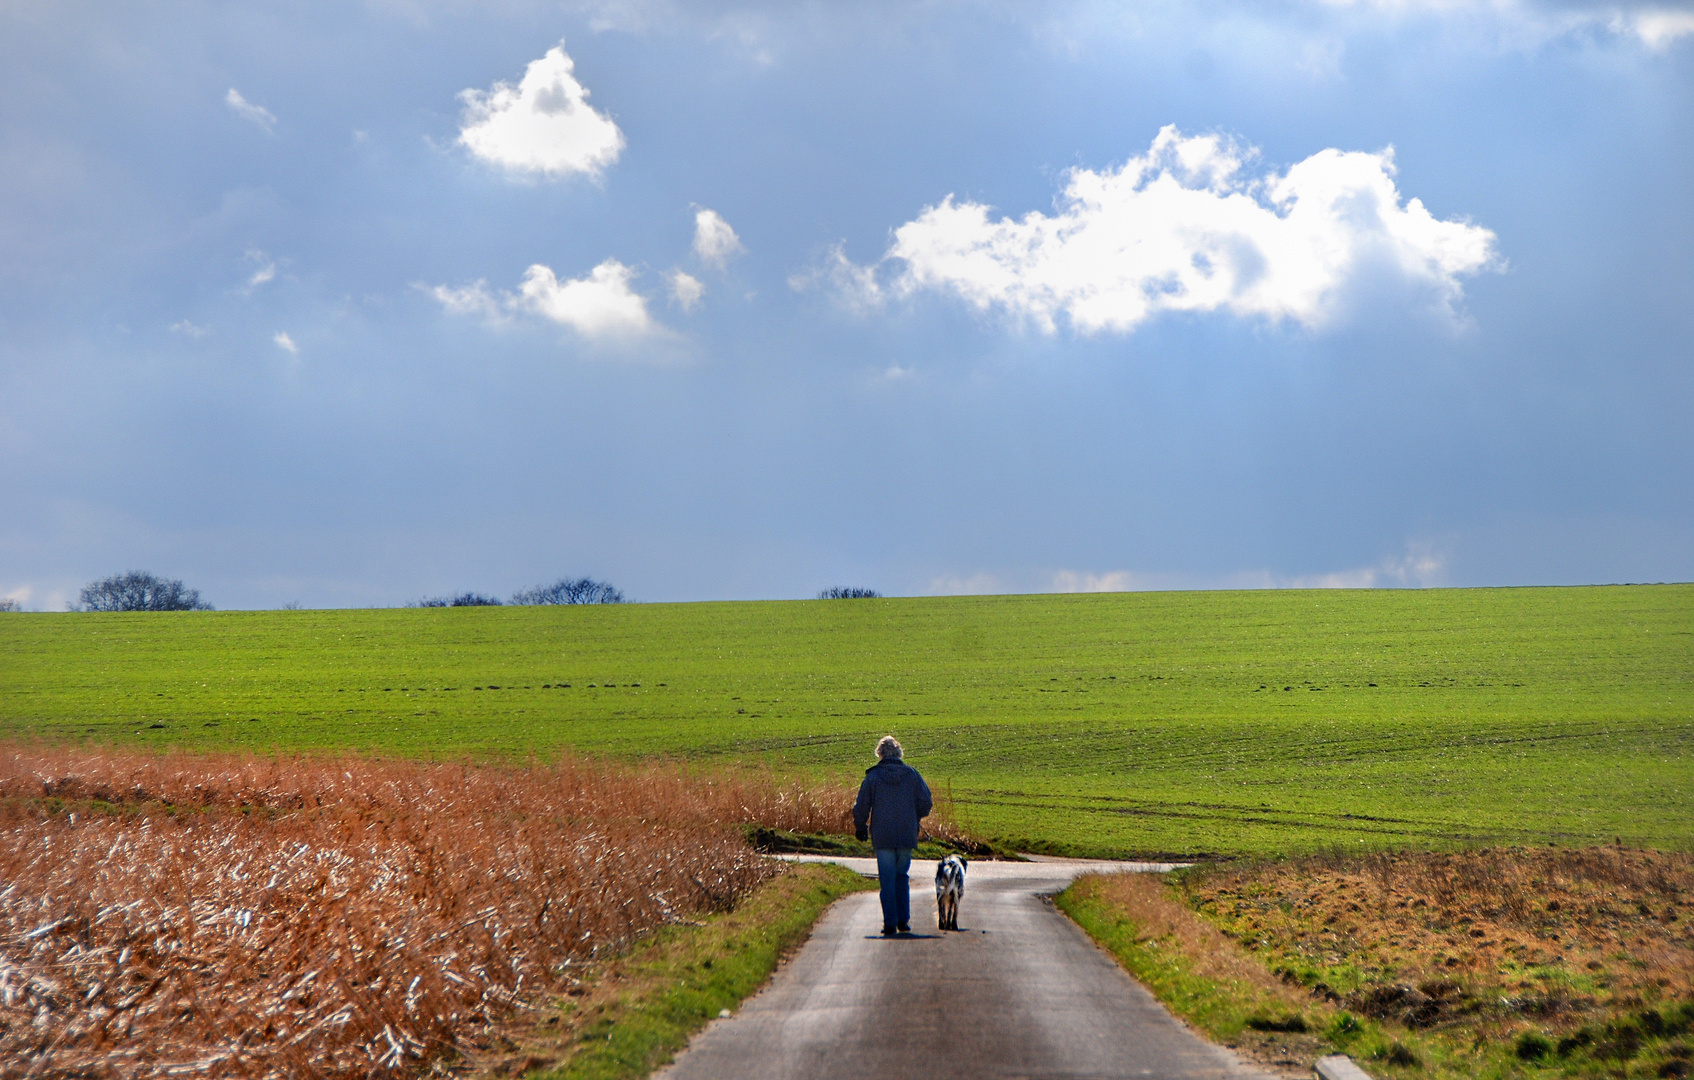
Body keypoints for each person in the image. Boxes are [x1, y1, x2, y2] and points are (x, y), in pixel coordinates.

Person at [853, 735, 933, 935]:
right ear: (899, 753)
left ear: (879, 754)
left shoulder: (873, 777)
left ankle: (889, 922)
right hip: (906, 834)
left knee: (887, 879)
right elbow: (926, 802)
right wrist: (915, 817)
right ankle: (903, 920)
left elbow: (862, 805)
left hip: (883, 835)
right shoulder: (912, 775)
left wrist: (860, 826)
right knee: (901, 876)